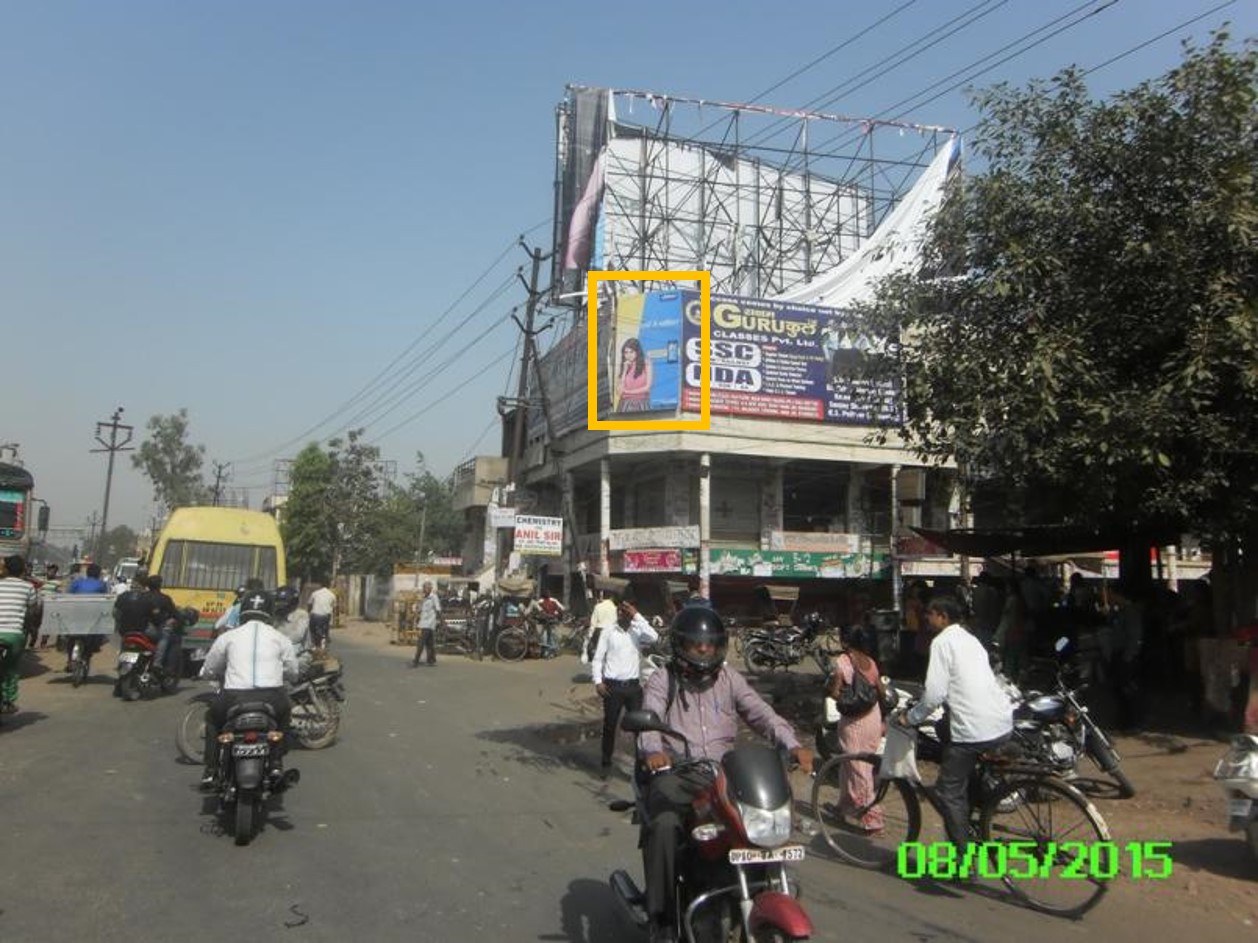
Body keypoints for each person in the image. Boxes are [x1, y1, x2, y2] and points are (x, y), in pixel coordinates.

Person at [638, 607, 813, 941]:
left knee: (756, 827)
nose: (704, 650)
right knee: (663, 825)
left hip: (723, 775)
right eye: (695, 644)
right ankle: (661, 917)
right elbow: (650, 716)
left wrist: (792, 745)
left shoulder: (730, 679)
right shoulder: (665, 678)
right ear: (681, 646)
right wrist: (653, 751)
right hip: (678, 772)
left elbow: (762, 714)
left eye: (710, 644)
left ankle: (754, 888)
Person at [897, 595, 1013, 856]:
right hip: (1000, 720)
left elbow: (935, 693)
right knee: (945, 734)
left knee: (947, 792)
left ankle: (964, 859)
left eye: (930, 614)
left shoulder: (942, 642)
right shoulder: (971, 639)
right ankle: (976, 821)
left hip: (974, 728)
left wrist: (911, 717)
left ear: (942, 617)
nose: (926, 619)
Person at [198, 589, 299, 788]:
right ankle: (277, 762)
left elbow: (209, 668)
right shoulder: (280, 638)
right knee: (284, 715)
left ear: (243, 610)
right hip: (273, 697)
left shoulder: (228, 637)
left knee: (212, 719)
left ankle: (211, 769)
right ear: (270, 612)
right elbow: (293, 671)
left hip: (234, 698)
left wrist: (211, 675)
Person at [591, 598, 658, 778]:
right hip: (612, 687)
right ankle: (606, 761)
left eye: (627, 610)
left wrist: (636, 615)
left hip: (633, 688)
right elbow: (598, 658)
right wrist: (598, 681)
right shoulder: (608, 631)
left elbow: (654, 636)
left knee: (640, 728)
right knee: (610, 726)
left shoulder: (637, 631)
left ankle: (641, 764)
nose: (624, 613)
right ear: (617, 612)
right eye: (622, 609)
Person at [827, 629, 886, 832]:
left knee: (858, 771)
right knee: (852, 766)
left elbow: (835, 692)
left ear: (846, 643)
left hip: (853, 723)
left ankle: (873, 818)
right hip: (873, 718)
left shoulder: (842, 662)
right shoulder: (870, 662)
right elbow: (882, 691)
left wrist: (844, 698)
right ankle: (843, 807)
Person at [0, 555, 38, 714]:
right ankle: (9, 700)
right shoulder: (28, 587)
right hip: (15, 634)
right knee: (12, 668)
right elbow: (32, 611)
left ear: (6, 570)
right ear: (23, 570)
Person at [144, 575, 182, 675]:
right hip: (151, 630)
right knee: (165, 637)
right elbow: (175, 614)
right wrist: (178, 619)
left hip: (140, 628)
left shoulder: (142, 596)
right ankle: (157, 663)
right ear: (160, 585)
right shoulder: (164, 598)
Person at [274, 585, 313, 675]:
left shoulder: (301, 615)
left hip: (299, 656)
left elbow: (297, 636)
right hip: (278, 656)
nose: (279, 604)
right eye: (278, 601)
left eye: (282, 602)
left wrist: (274, 643)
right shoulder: (275, 616)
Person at [616, 337, 652, 412]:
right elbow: (619, 391)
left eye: (631, 352)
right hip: (625, 405)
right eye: (626, 352)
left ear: (637, 352)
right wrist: (624, 371)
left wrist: (628, 392)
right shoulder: (624, 365)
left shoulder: (646, 363)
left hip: (642, 404)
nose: (628, 355)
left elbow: (647, 387)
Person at [527, 588, 566, 657]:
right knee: (550, 636)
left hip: (544, 621)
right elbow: (562, 608)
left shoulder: (540, 601)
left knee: (545, 636)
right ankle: (549, 652)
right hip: (551, 621)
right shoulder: (552, 600)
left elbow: (537, 611)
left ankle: (546, 652)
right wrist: (556, 613)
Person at [411, 581, 441, 668]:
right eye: (423, 588)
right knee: (430, 643)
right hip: (424, 623)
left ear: (429, 589)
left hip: (429, 623)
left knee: (421, 643)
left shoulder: (434, 597)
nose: (423, 589)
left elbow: (438, 609)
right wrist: (417, 608)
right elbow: (420, 609)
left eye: (425, 588)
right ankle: (431, 660)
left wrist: (441, 622)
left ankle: (416, 661)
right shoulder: (424, 598)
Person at [585, 589, 619, 666]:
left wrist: (590, 635)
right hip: (611, 632)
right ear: (611, 597)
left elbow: (593, 622)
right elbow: (616, 622)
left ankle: (598, 672)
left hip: (599, 632)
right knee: (610, 654)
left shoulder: (598, 606)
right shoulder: (615, 608)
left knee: (599, 654)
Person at [308, 579, 337, 652]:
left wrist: (309, 612)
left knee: (312, 630)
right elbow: (334, 607)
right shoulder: (332, 595)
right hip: (326, 616)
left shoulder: (315, 593)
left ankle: (314, 645)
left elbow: (309, 604)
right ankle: (325, 640)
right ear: (329, 585)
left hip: (315, 615)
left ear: (320, 585)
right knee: (325, 629)